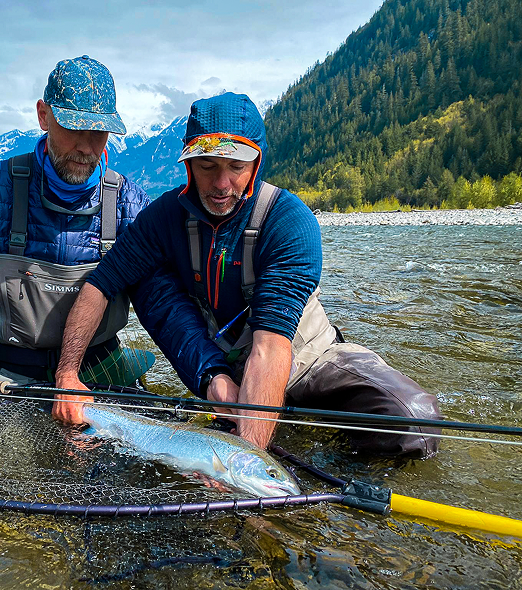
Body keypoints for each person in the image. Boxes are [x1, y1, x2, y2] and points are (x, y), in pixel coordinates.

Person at [53, 92, 441, 458]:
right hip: (227, 372)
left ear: (256, 164)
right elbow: (99, 286)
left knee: (413, 421)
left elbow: (270, 346)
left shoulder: (289, 221)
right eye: (207, 167)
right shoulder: (163, 218)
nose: (222, 184)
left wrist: (245, 461)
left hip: (309, 360)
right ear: (188, 164)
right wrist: (67, 375)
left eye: (236, 167)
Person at [0, 56, 150, 415]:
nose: (86, 146)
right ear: (43, 116)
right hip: (5, 373)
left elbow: (164, 302)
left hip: (100, 372)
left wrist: (211, 375)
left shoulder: (131, 205)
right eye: (74, 128)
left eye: (98, 133)